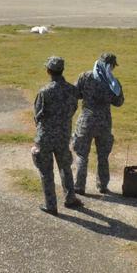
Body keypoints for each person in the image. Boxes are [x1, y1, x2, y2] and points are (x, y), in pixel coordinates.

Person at [32, 56, 84, 216]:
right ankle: (70, 198)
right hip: (63, 135)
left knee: (46, 171)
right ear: (62, 70)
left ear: (48, 71)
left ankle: (51, 205)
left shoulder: (44, 92)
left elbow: (37, 115)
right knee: (65, 167)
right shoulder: (72, 90)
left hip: (46, 137)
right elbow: (74, 108)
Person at [72, 52, 124, 195]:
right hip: (104, 122)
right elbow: (119, 102)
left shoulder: (85, 76)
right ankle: (102, 186)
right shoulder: (113, 82)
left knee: (82, 155)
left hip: (86, 120)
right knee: (103, 155)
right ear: (111, 66)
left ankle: (79, 186)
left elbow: (76, 94)